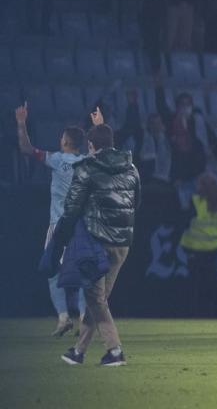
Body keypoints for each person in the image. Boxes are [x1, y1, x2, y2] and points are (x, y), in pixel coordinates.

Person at [58, 123, 141, 366]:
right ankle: (78, 351)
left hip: (96, 242)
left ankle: (115, 351)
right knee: (99, 299)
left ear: (91, 146)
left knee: (96, 299)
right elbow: (136, 201)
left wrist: (61, 240)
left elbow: (71, 209)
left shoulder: (86, 168)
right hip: (122, 242)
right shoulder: (131, 167)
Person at [15, 102, 88, 337]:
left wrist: (21, 122)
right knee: (86, 274)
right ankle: (86, 318)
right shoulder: (89, 162)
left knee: (52, 272)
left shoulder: (56, 159)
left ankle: (64, 318)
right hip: (83, 227)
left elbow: (26, 149)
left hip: (59, 227)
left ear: (65, 142)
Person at [180, 173, 217, 317]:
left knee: (194, 284)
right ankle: (212, 313)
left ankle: (193, 312)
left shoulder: (196, 201)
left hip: (195, 247)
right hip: (213, 248)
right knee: (210, 283)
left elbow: (185, 219)